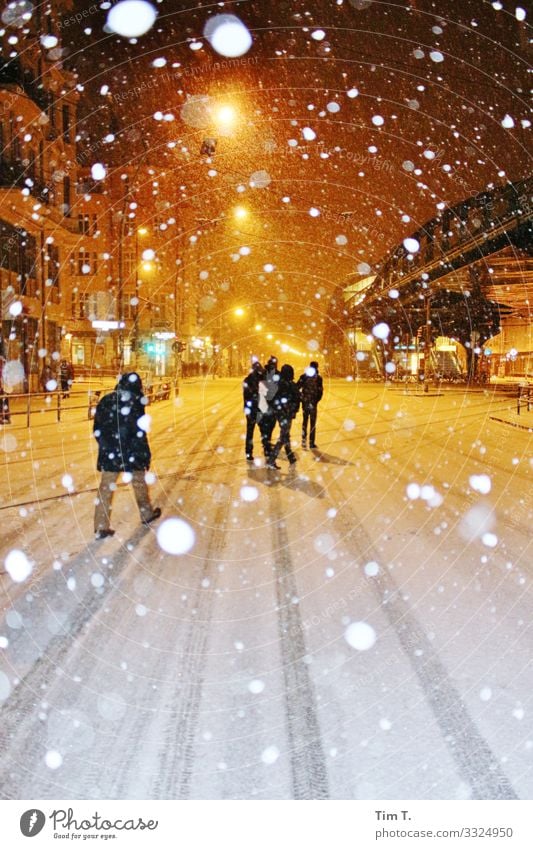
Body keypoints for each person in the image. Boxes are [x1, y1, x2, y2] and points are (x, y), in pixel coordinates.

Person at [92, 372, 161, 539]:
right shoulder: (136, 402)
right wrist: (144, 455)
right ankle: (146, 514)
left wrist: (106, 445)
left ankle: (101, 525)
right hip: (131, 452)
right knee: (139, 483)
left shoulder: (106, 400)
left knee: (106, 488)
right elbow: (139, 432)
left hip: (110, 453)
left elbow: (97, 429)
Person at [267, 363, 300, 470]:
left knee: (285, 435)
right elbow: (296, 398)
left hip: (280, 413)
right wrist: (292, 409)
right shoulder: (289, 385)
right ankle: (272, 459)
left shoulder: (278, 384)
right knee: (283, 436)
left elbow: (271, 399)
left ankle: (290, 457)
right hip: (287, 414)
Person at [257, 355, 280, 461]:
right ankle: (266, 444)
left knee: (265, 425)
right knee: (269, 425)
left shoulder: (263, 373)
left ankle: (265, 442)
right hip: (270, 404)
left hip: (264, 404)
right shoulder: (275, 374)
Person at [242, 359, 265, 463]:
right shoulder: (262, 380)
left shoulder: (247, 380)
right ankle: (266, 449)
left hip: (250, 409)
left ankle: (248, 452)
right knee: (263, 431)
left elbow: (246, 395)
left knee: (250, 432)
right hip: (259, 409)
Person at [297, 360, 323, 449]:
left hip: (305, 403)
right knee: (312, 423)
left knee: (305, 422)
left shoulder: (304, 377)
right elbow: (320, 391)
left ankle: (304, 440)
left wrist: (302, 397)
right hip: (313, 403)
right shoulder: (318, 378)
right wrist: (316, 400)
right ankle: (312, 442)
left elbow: (297, 387)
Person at [0, 355, 11, 425]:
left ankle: (5, 418)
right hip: (5, 389)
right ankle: (6, 417)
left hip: (3, 389)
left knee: (3, 404)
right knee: (4, 404)